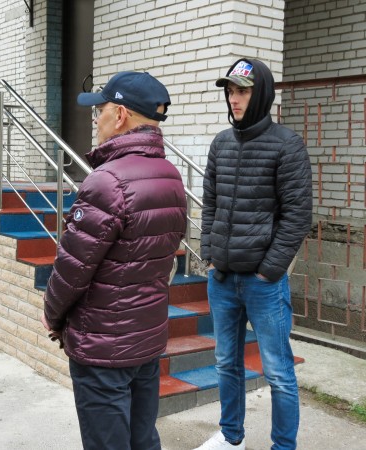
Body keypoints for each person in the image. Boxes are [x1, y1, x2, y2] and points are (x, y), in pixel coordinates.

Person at [41, 71, 187, 450]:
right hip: (146, 338)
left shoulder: (107, 181)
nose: (96, 120)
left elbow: (73, 268)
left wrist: (52, 315)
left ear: (120, 115)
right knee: (143, 439)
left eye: (100, 111)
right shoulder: (171, 176)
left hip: (103, 346)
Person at [196, 59, 313, 450]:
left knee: (278, 372)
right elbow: (210, 204)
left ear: (260, 93)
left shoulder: (287, 144)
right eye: (230, 91)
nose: (235, 98)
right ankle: (232, 438)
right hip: (222, 279)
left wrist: (269, 270)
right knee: (225, 364)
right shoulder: (221, 143)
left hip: (264, 284)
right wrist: (209, 253)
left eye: (243, 91)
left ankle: (283, 447)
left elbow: (297, 216)